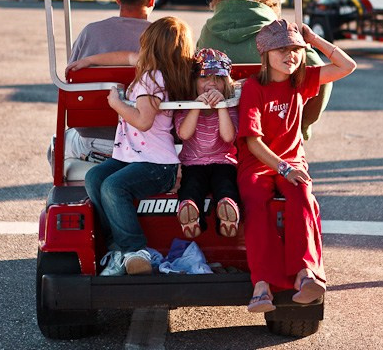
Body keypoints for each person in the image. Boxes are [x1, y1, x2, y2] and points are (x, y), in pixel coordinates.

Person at [237, 19, 356, 313]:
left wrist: (314, 39)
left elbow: (346, 66)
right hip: (259, 164)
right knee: (255, 203)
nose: (291, 56)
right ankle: (261, 284)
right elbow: (252, 142)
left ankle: (306, 275)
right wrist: (283, 169)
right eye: (282, 50)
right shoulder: (254, 87)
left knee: (303, 196)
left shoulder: (300, 80)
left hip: (291, 162)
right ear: (265, 54)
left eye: (295, 50)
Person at [83, 16, 194, 277]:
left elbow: (143, 121)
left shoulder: (152, 80)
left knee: (113, 186)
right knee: (95, 177)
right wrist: (90, 61)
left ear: (150, 46)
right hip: (133, 157)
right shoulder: (162, 70)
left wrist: (117, 104)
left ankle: (135, 250)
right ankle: (117, 247)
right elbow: (125, 56)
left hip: (157, 165)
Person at [197, 0, 332, 141]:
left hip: (216, 124)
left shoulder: (207, 31)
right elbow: (322, 77)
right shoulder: (276, 32)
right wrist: (303, 123)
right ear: (269, 3)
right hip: (271, 124)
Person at [62, 0, 158, 162]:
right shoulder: (165, 38)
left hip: (95, 140)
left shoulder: (91, 32)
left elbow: (70, 83)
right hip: (150, 140)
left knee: (56, 144)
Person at [174, 48, 241, 239]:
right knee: (191, 187)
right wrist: (197, 106)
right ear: (194, 82)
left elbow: (228, 137)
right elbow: (184, 134)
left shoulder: (229, 106)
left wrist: (221, 106)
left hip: (223, 162)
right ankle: (191, 219)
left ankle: (228, 217)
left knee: (226, 186)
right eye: (205, 78)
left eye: (218, 79)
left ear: (225, 83)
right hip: (193, 163)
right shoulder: (186, 106)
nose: (212, 83)